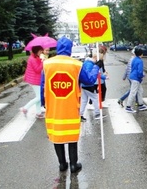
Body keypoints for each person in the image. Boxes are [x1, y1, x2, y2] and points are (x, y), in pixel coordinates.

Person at [41, 37, 99, 173]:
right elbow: (89, 80)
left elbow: (43, 86)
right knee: (72, 136)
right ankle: (74, 165)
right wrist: (96, 67)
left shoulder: (47, 64)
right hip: (71, 106)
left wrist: (44, 103)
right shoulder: (77, 65)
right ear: (70, 49)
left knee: (57, 135)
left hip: (54, 106)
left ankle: (62, 164)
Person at [79, 48, 107, 121]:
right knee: (96, 98)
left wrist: (103, 77)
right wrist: (103, 77)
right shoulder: (89, 64)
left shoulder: (88, 63)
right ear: (95, 57)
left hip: (84, 85)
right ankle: (97, 114)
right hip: (88, 85)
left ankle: (80, 115)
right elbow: (90, 75)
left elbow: (95, 73)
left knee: (84, 100)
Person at [20, 45, 45, 118]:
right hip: (34, 80)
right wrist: (42, 61)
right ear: (36, 51)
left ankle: (38, 113)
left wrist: (41, 60)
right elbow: (37, 70)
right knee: (39, 97)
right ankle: (25, 108)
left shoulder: (35, 57)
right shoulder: (32, 59)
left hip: (37, 79)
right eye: (40, 51)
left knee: (38, 96)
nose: (41, 52)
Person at [125, 48, 147, 113]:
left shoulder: (134, 59)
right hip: (136, 78)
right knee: (133, 92)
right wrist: (141, 77)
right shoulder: (140, 61)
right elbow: (140, 71)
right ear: (141, 54)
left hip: (132, 76)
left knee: (140, 91)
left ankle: (141, 104)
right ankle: (128, 107)